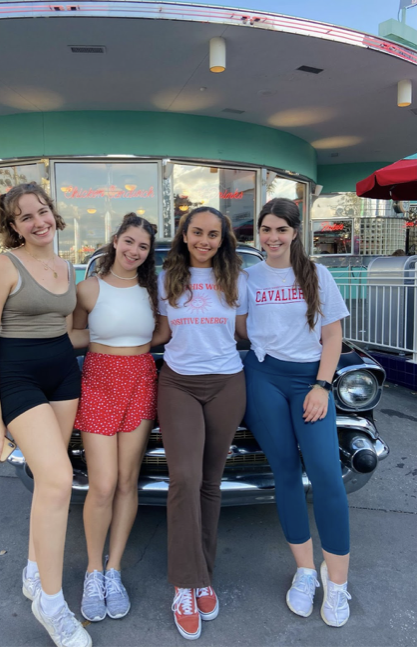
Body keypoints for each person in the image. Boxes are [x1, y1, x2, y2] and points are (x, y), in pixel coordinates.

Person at [0, 182, 92, 647]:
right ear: (13, 226)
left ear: (53, 214)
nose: (38, 221)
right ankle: (51, 601)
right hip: (17, 377)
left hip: (63, 375)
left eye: (42, 211)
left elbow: (66, 333)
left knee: (48, 482)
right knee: (61, 479)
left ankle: (33, 569)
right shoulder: (4, 266)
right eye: (25, 217)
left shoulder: (68, 266)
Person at [239, 198, 352, 627]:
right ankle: (305, 571)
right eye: (266, 230)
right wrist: (267, 344)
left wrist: (322, 386)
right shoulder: (248, 277)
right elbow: (241, 325)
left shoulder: (317, 275)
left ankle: (337, 582)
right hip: (264, 377)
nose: (272, 238)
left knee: (325, 472)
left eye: (280, 230)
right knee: (284, 470)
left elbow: (332, 335)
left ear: (294, 232)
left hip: (310, 379)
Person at [152, 206, 248, 641]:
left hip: (227, 383)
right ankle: (184, 585)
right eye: (197, 232)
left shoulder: (236, 280)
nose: (205, 240)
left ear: (223, 238)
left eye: (213, 234)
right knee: (184, 479)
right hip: (179, 384)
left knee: (211, 482)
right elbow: (156, 333)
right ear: (184, 234)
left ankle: (203, 575)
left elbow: (249, 332)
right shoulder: (166, 278)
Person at [71, 212, 158, 623]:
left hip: (141, 377)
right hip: (99, 379)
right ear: (115, 240)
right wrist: (103, 336)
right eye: (129, 241)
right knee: (102, 484)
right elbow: (69, 335)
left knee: (127, 480)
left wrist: (133, 341)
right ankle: (92, 569)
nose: (134, 251)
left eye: (142, 246)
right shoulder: (88, 289)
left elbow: (162, 332)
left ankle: (113, 570)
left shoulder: (152, 290)